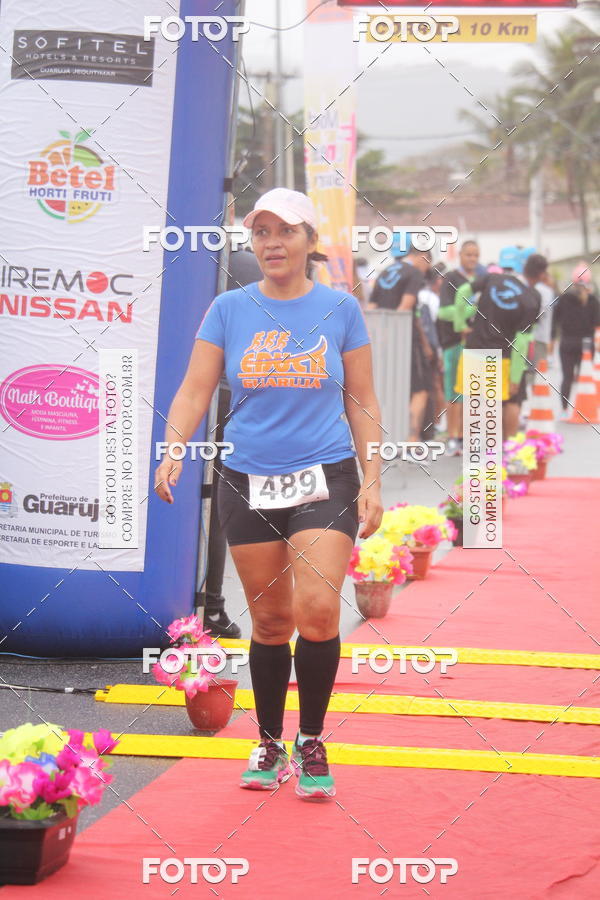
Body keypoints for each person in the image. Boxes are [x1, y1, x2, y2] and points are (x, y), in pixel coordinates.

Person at [154, 187, 383, 799]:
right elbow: (194, 390)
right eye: (261, 232)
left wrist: (373, 478)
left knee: (318, 609)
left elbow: (361, 400)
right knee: (272, 619)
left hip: (324, 474)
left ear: (310, 240)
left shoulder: (340, 310)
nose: (272, 243)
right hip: (247, 476)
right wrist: (173, 449)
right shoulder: (228, 308)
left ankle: (312, 740)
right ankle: (270, 742)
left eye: (285, 231)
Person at [201, 244, 262, 639]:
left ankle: (204, 604)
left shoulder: (187, 253)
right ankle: (211, 605)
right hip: (231, 394)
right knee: (219, 499)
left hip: (182, 388)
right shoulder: (249, 262)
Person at [449, 247, 546, 437]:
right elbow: (521, 342)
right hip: (500, 358)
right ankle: (492, 452)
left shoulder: (491, 278)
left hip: (474, 351)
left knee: (473, 404)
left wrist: (460, 325)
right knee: (492, 410)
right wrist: (515, 378)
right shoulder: (530, 300)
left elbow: (462, 293)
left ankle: (470, 448)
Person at [368, 237, 433, 463]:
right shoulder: (414, 273)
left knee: (389, 391)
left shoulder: (385, 272)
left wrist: (380, 337)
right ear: (421, 256)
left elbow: (372, 307)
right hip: (405, 340)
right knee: (420, 390)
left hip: (382, 342)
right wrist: (394, 334)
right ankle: (412, 443)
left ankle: (386, 441)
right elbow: (405, 306)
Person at [436, 241, 480, 456]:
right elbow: (444, 311)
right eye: (468, 254)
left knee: (471, 392)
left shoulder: (480, 280)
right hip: (453, 342)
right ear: (460, 255)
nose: (472, 259)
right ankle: (453, 436)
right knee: (454, 391)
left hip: (475, 343)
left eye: (475, 255)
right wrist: (471, 310)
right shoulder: (451, 279)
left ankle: (465, 436)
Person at [551, 264, 600, 415]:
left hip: (567, 342)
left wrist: (553, 338)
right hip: (587, 344)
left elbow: (555, 319)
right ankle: (583, 408)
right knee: (584, 377)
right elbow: (597, 323)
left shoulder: (563, 299)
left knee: (567, 377)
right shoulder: (593, 300)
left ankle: (564, 410)